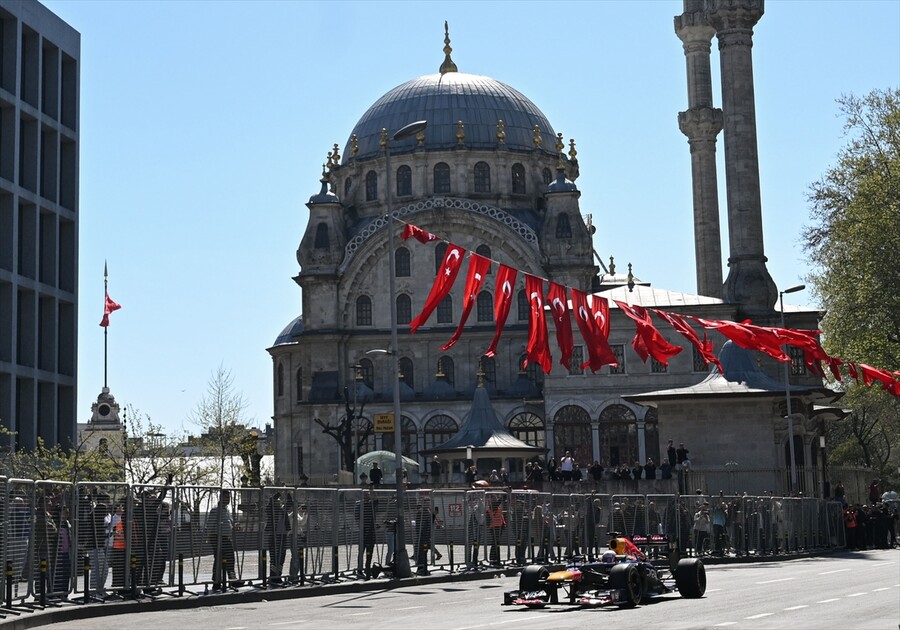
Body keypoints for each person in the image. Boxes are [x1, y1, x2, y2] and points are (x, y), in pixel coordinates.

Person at [206, 490, 241, 589]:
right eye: (226, 497)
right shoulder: (215, 510)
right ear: (221, 498)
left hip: (226, 537)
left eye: (229, 498)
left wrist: (234, 526)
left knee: (230, 557)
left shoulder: (227, 510)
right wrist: (211, 538)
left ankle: (232, 579)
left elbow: (229, 522)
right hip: (217, 537)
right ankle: (216, 581)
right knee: (219, 559)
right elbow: (209, 525)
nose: (228, 500)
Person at [264, 490, 292, 584]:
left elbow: (290, 503)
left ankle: (278, 575)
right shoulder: (271, 510)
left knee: (281, 557)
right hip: (273, 536)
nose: (279, 502)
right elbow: (271, 500)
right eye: (278, 501)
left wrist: (287, 493)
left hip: (283, 536)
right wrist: (279, 492)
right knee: (274, 557)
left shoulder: (283, 511)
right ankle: (273, 576)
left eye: (280, 501)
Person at [487, 497, 507, 567]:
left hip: (499, 526)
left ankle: (496, 559)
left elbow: (501, 516)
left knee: (496, 543)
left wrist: (503, 525)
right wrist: (504, 495)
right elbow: (499, 502)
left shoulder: (496, 508)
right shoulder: (493, 507)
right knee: (495, 543)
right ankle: (493, 559)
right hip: (494, 527)